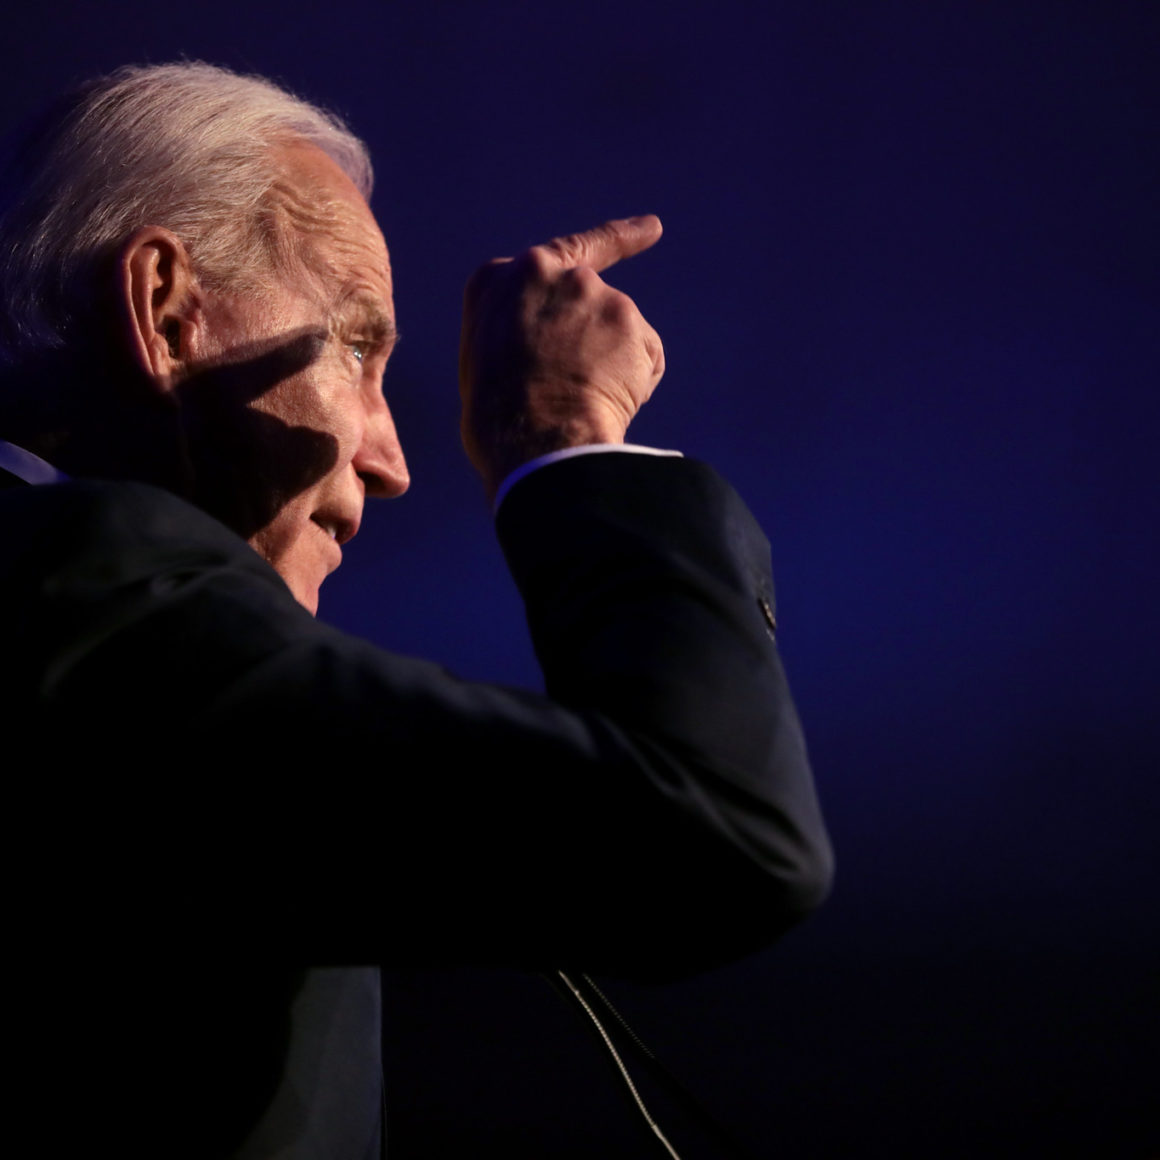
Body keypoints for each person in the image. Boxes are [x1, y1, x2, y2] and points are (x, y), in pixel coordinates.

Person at [0, 62, 832, 1158]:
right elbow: (719, 840)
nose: (393, 462)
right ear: (168, 311)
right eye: (356, 345)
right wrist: (567, 433)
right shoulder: (70, 585)